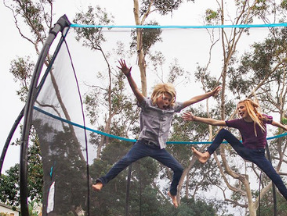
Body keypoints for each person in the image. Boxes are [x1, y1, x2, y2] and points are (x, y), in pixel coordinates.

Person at [92, 59, 221, 208]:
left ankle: (172, 193)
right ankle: (102, 181)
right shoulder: (147, 104)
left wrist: (211, 93)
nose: (165, 102)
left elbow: (193, 100)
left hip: (158, 148)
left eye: (168, 100)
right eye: (163, 98)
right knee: (126, 160)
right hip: (142, 144)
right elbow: (136, 91)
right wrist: (128, 75)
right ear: (157, 95)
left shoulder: (173, 108)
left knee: (179, 168)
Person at [182, 98, 287, 214]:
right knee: (223, 132)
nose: (239, 110)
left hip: (259, 155)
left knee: (275, 177)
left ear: (248, 107)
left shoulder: (262, 118)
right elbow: (215, 122)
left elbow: (274, 123)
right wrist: (195, 118)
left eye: (241, 107)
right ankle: (206, 155)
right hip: (244, 150)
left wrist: (284, 127)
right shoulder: (239, 122)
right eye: (238, 108)